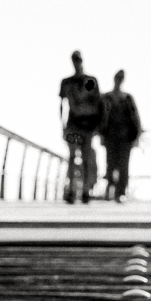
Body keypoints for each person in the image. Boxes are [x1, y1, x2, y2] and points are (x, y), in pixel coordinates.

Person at [59, 50, 101, 204]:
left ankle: (85, 190)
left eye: (78, 59)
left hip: (87, 126)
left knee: (86, 157)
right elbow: (62, 104)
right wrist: (63, 125)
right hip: (72, 125)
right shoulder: (66, 82)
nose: (76, 62)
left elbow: (97, 103)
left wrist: (97, 126)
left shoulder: (90, 81)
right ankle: (71, 190)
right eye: (74, 60)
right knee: (72, 156)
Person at [99, 70, 142, 203]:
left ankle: (121, 192)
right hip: (110, 135)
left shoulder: (127, 98)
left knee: (124, 165)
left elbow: (135, 117)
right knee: (110, 164)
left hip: (125, 136)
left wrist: (137, 136)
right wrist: (101, 134)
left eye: (121, 78)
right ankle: (110, 189)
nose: (119, 80)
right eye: (118, 77)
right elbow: (101, 116)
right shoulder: (106, 97)